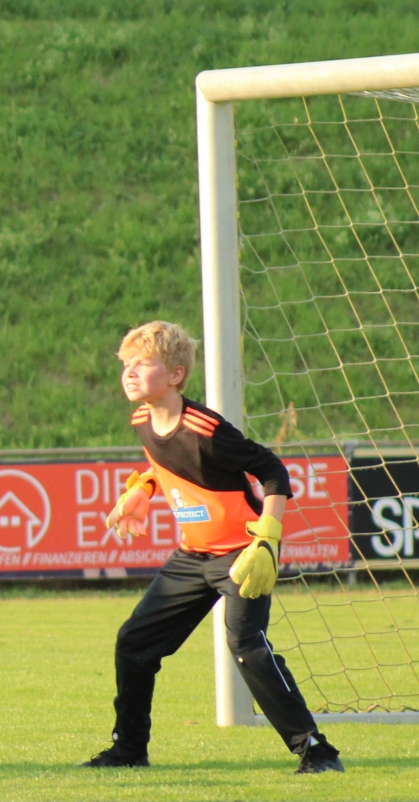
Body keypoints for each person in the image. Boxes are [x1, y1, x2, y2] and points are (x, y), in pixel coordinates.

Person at [85, 321, 343, 774]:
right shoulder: (142, 419)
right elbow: (164, 464)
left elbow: (274, 471)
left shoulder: (206, 429)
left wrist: (267, 539)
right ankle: (129, 752)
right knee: (135, 642)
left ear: (176, 375)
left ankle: (316, 750)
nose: (129, 372)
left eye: (142, 363)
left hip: (243, 554)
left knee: (246, 645)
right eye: (126, 364)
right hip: (192, 556)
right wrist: (143, 490)